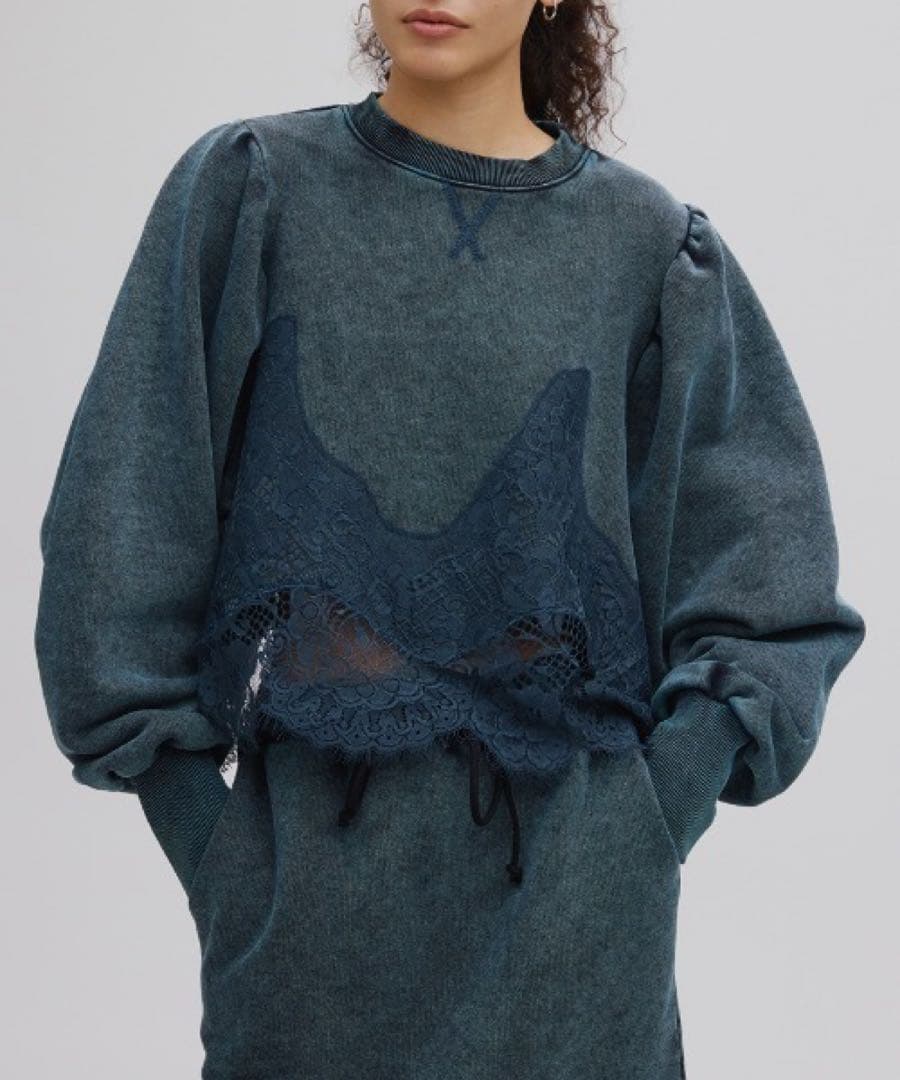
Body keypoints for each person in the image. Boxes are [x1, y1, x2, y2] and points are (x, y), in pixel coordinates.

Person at [33, 2, 866, 1077]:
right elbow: (119, 528)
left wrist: (647, 823)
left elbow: (771, 587)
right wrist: (219, 852)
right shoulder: (255, 191)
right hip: (307, 961)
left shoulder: (649, 250)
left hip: (582, 960)